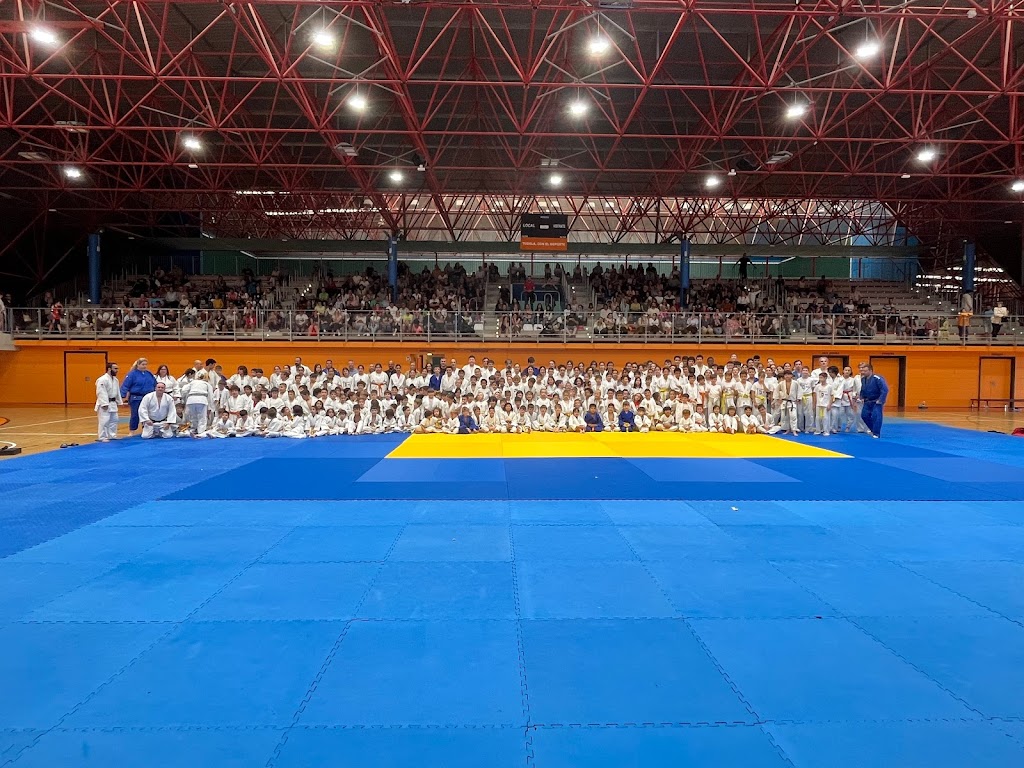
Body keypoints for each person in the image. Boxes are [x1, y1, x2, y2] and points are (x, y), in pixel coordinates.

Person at [119, 357, 157, 436]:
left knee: (148, 414)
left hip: (148, 397)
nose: (144, 366)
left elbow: (155, 384)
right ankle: (132, 431)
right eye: (143, 364)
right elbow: (125, 385)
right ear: (138, 365)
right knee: (135, 414)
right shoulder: (132, 374)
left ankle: (146, 429)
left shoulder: (149, 374)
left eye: (146, 364)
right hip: (136, 397)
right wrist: (122, 396)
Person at [858, 362, 889, 438]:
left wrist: (881, 399)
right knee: (864, 415)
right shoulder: (863, 379)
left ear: (870, 370)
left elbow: (884, 389)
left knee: (876, 417)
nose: (863, 372)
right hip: (867, 401)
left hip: (876, 401)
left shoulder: (877, 378)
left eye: (865, 371)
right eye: (862, 371)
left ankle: (876, 433)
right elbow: (863, 389)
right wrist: (861, 397)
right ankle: (872, 429)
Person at [94, 361, 122, 442]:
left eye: (117, 368)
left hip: (113, 402)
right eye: (115, 368)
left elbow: (117, 391)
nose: (117, 370)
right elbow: (100, 392)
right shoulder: (102, 379)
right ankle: (102, 437)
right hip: (104, 403)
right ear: (109, 369)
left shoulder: (115, 380)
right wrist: (104, 403)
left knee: (114, 420)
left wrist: (119, 402)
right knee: (104, 420)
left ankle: (112, 435)